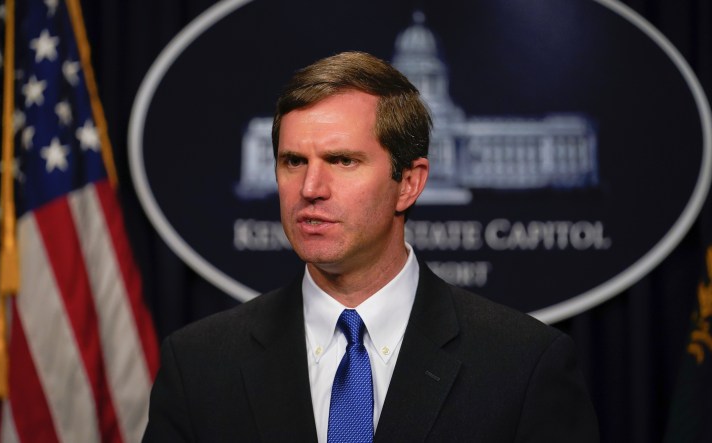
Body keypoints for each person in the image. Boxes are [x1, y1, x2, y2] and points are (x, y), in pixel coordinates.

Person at [142, 51, 599, 442]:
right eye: (293, 162)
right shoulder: (199, 365)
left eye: (342, 161)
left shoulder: (523, 365)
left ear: (409, 183)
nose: (310, 187)